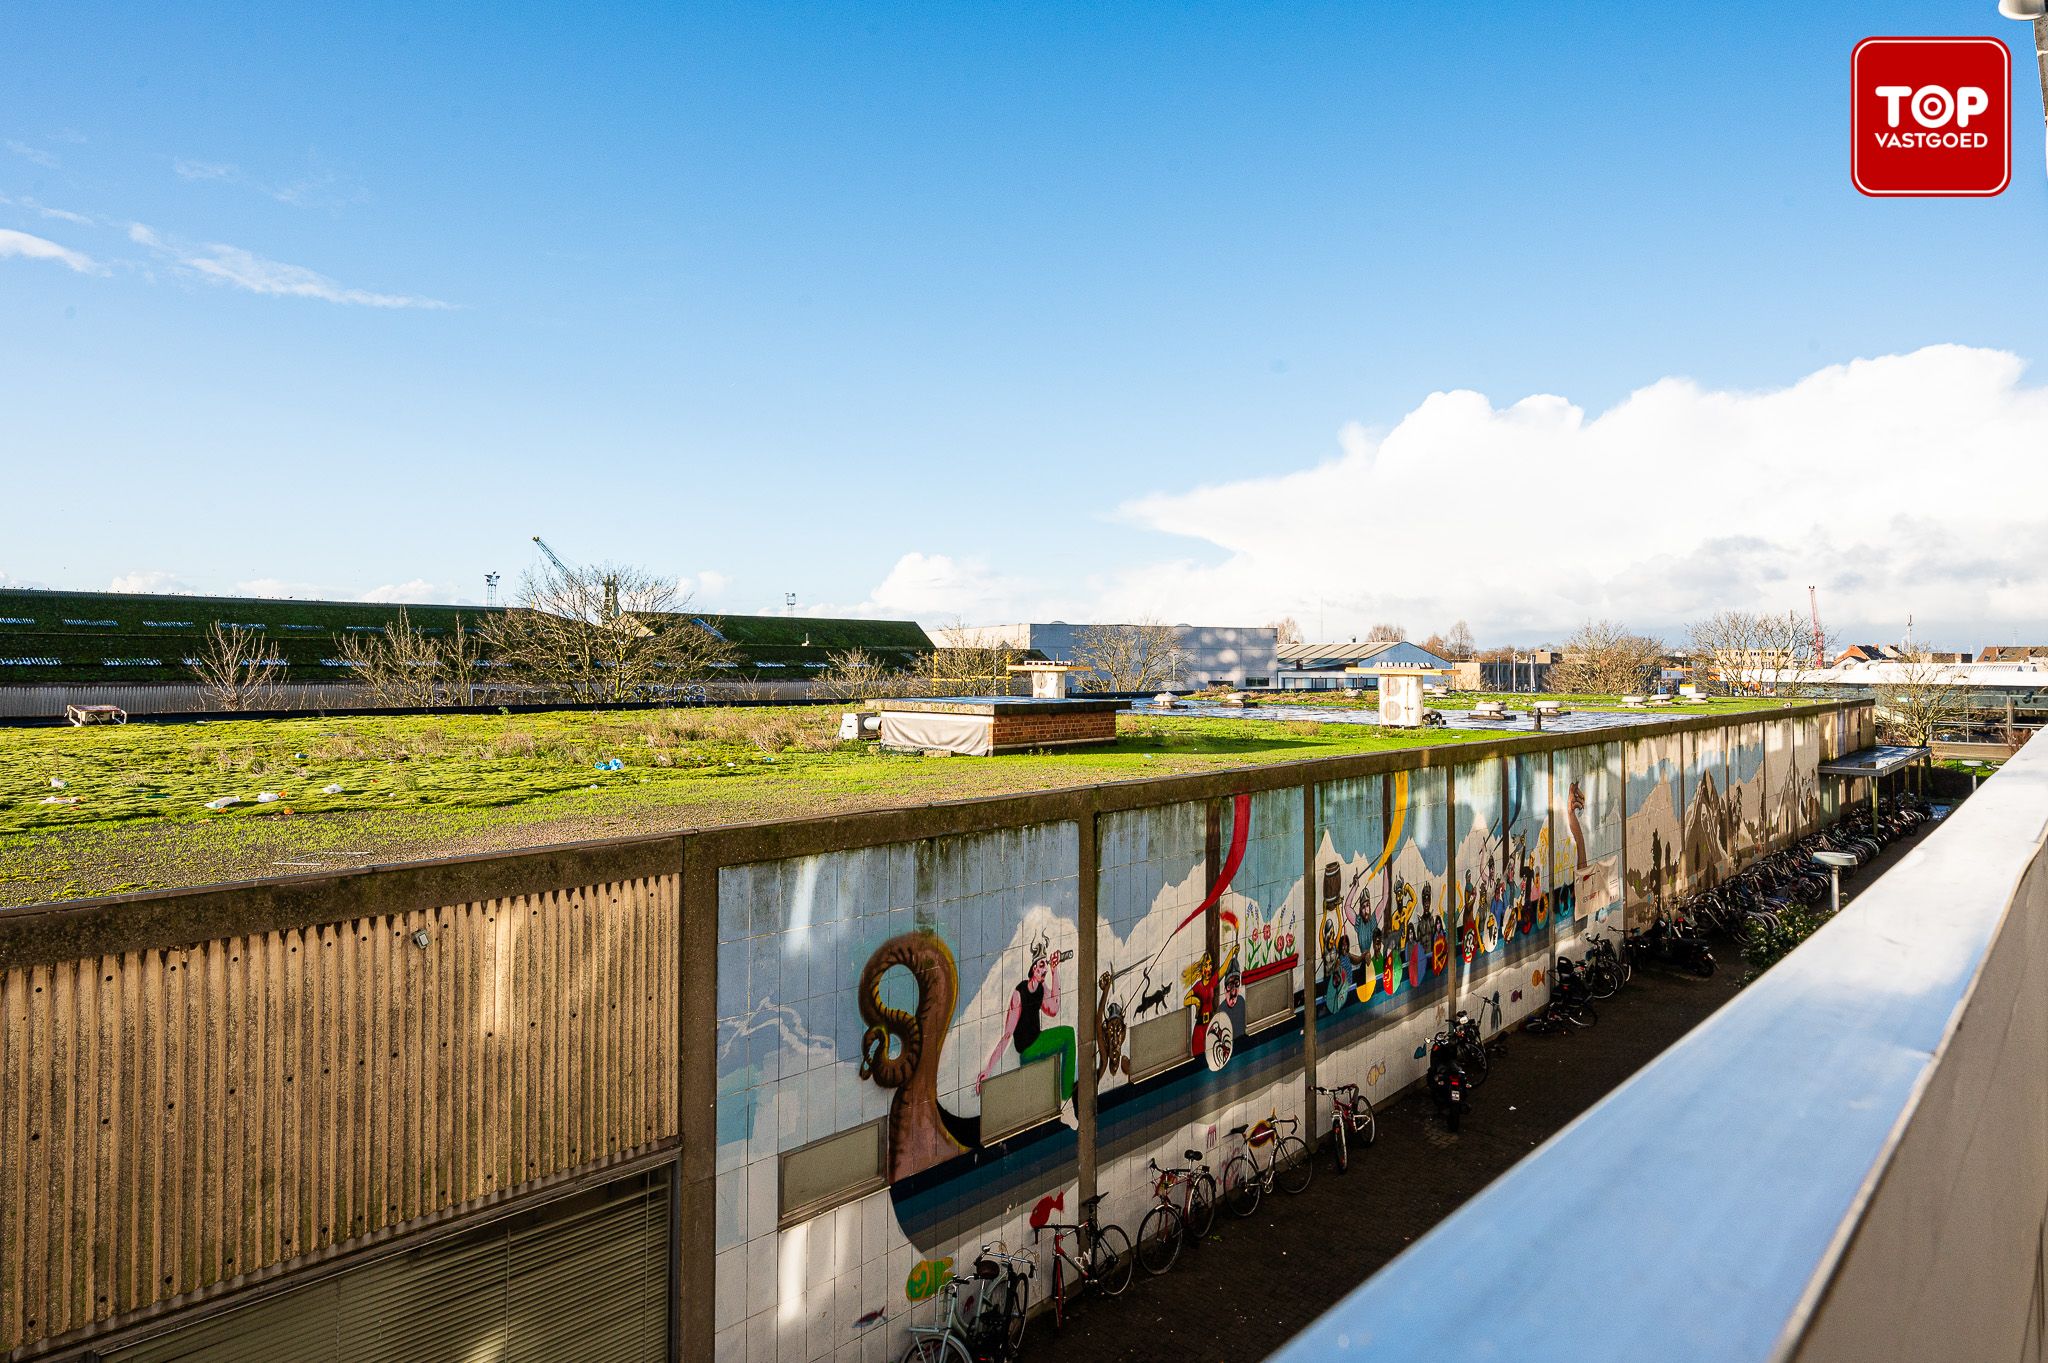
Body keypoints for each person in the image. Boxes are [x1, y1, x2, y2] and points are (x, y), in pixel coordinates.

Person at [978, 939, 1077, 1104]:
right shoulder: (1019, 994)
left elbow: (1053, 1009)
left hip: (1037, 1040)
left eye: (1045, 964)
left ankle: (1066, 1097)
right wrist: (988, 1070)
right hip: (1027, 1050)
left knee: (1069, 1033)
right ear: (1033, 968)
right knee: (1066, 1037)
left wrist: (1055, 971)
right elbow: (1008, 1034)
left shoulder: (1040, 988)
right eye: (1042, 965)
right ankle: (1065, 1098)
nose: (1044, 968)